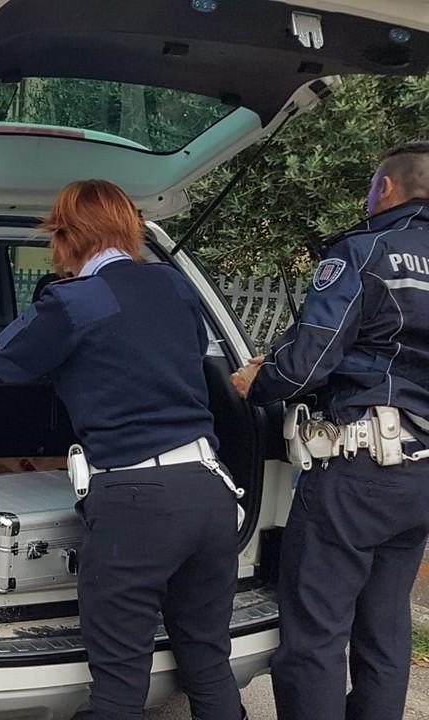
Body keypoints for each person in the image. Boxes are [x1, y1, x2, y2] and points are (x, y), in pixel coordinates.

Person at [0, 180, 244, 720]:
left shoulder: (74, 300)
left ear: (65, 236)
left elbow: (6, 359)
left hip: (137, 502)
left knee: (120, 682)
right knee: (207, 659)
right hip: (210, 487)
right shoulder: (174, 284)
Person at [232, 142, 429, 720]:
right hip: (420, 477)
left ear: (385, 188)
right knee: (385, 627)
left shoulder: (364, 252)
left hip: (359, 473)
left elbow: (305, 365)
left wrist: (256, 382)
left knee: (315, 634)